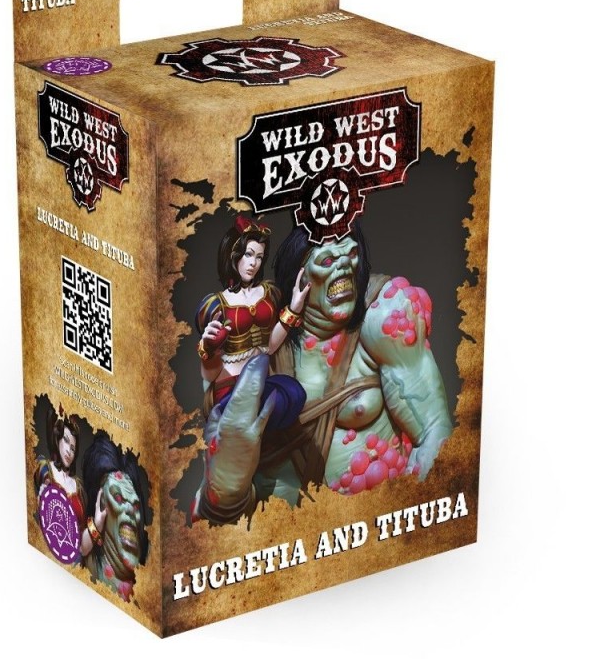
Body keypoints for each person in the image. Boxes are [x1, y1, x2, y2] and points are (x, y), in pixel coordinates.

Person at [193, 222, 453, 523]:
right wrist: (226, 493)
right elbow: (217, 503)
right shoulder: (253, 337)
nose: (344, 266)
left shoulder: (383, 317)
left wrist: (415, 526)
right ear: (300, 275)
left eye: (351, 255)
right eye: (327, 260)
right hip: (283, 538)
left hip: (377, 526)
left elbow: (434, 433)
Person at [195, 214, 310, 430]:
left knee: (294, 394)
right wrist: (209, 348)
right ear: (233, 254)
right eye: (248, 254)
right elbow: (209, 375)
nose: (253, 263)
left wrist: (294, 308)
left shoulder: (269, 293)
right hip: (230, 389)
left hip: (261, 385)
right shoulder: (215, 305)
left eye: (259, 257)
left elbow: (270, 347)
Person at [82, 434, 149, 602]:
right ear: (101, 504)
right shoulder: (84, 570)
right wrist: (95, 526)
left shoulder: (149, 585)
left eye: (135, 506)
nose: (130, 510)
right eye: (118, 498)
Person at [35, 405, 104, 560]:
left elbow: (82, 548)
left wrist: (98, 523)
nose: (69, 451)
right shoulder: (44, 469)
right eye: (66, 441)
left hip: (74, 562)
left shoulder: (78, 487)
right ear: (57, 439)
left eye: (73, 448)